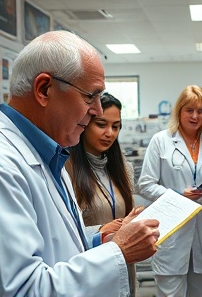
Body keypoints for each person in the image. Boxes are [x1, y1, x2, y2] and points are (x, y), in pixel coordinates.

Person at [0, 30, 160, 296]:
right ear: (44, 89)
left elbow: (56, 247)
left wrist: (103, 239)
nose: (97, 109)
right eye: (90, 96)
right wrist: (118, 252)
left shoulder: (51, 156)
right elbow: (20, 291)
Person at [137, 85, 202, 297]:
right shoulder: (161, 141)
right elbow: (145, 184)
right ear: (179, 111)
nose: (195, 116)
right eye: (189, 110)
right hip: (172, 230)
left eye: (200, 111)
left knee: (200, 293)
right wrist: (177, 197)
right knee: (171, 293)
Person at [66, 92, 141, 296]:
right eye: (101, 124)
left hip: (123, 262)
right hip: (91, 267)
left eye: (115, 126)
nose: (109, 133)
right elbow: (64, 230)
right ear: (85, 123)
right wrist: (102, 230)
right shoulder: (66, 169)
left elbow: (123, 212)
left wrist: (134, 220)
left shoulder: (122, 167)